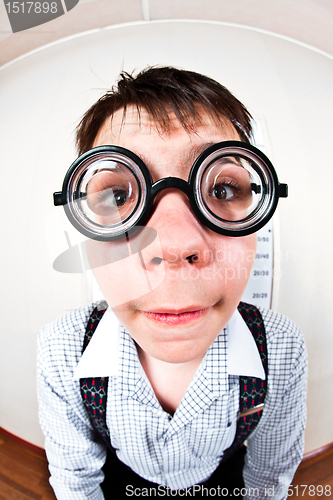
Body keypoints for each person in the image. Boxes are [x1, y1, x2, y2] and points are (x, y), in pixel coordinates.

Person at [37, 66, 307, 500]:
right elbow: (75, 483)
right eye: (117, 195)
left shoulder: (282, 348)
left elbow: (268, 480)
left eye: (221, 189)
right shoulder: (62, 349)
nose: (176, 244)